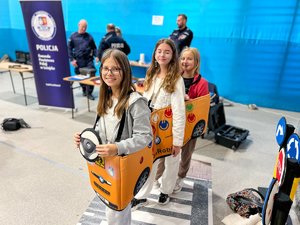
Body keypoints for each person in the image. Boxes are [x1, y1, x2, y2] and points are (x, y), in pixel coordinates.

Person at [74, 49, 152, 225]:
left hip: (122, 164)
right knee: (116, 206)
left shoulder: (136, 102)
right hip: (106, 163)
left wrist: (117, 147)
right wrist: (86, 139)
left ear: (125, 71)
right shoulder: (106, 96)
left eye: (115, 69)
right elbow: (100, 128)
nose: (109, 73)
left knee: (117, 208)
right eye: (105, 68)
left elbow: (145, 136)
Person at [131, 38, 186, 209]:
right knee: (150, 160)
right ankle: (142, 196)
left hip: (168, 127)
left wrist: (177, 141)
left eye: (167, 52)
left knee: (171, 160)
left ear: (172, 55)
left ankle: (166, 191)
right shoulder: (151, 74)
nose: (162, 54)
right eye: (159, 51)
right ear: (155, 53)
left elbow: (179, 111)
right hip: (150, 125)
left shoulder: (176, 79)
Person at [155, 47, 209, 193]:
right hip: (172, 123)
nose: (185, 62)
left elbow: (201, 106)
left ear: (196, 62)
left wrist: (188, 101)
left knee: (186, 154)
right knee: (165, 150)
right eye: (183, 58)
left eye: (189, 59)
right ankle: (158, 176)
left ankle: (180, 177)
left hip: (191, 125)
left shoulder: (202, 83)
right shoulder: (173, 77)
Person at [68, 19, 97, 100]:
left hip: (88, 60)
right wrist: (71, 60)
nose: (84, 28)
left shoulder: (89, 36)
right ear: (78, 25)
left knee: (91, 75)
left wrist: (97, 55)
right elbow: (69, 49)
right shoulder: (73, 36)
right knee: (81, 77)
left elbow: (94, 48)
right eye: (82, 26)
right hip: (78, 61)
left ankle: (89, 93)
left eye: (85, 27)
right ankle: (84, 90)